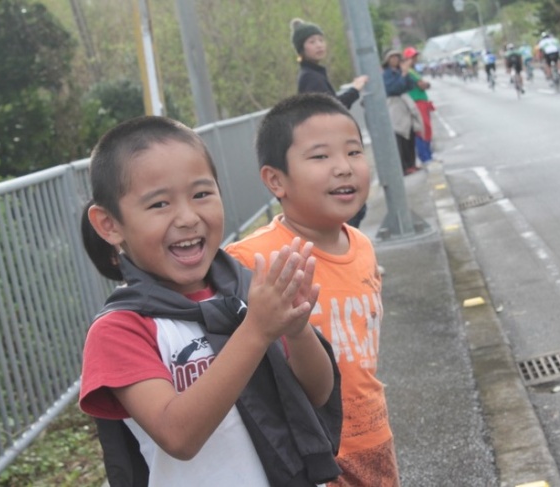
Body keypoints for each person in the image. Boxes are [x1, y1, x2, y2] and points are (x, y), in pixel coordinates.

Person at [78, 115, 342, 486]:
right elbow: (179, 436)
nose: (188, 217)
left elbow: (318, 392)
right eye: (159, 205)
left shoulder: (247, 288)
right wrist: (256, 331)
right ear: (109, 224)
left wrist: (298, 332)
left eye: (202, 194)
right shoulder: (120, 330)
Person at [225, 93, 400, 487]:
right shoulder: (250, 261)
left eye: (354, 152)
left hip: (373, 438)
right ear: (276, 180)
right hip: (306, 453)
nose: (344, 168)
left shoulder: (362, 245)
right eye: (320, 157)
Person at [290, 17, 369, 229]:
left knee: (349, 205)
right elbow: (331, 109)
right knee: (350, 207)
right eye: (312, 42)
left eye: (320, 40)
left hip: (327, 148)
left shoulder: (313, 73)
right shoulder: (310, 77)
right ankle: (343, 256)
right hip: (326, 149)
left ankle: (345, 254)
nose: (318, 45)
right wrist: (355, 89)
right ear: (301, 48)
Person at [382, 48, 422, 176]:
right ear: (387, 60)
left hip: (405, 104)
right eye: (392, 57)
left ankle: (412, 163)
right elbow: (393, 88)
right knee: (400, 135)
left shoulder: (400, 71)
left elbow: (410, 85)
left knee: (410, 134)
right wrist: (403, 76)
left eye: (397, 57)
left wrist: (405, 73)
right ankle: (404, 166)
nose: (395, 60)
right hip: (395, 105)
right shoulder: (386, 74)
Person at [403, 46, 436, 165]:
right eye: (413, 57)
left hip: (421, 102)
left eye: (416, 56)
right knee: (422, 129)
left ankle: (428, 154)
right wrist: (426, 84)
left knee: (425, 128)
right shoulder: (409, 71)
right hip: (417, 103)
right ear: (407, 59)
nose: (415, 59)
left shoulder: (413, 70)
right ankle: (425, 156)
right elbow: (422, 85)